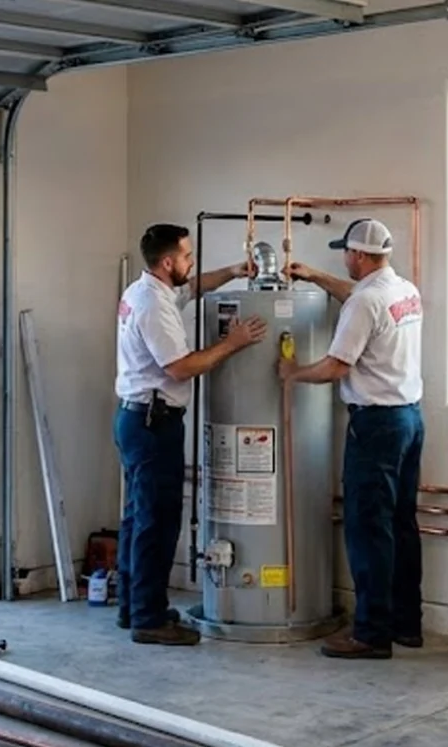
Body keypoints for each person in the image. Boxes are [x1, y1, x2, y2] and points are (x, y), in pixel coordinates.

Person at [278, 217, 424, 660]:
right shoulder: (403, 290)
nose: (343, 258)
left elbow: (336, 366)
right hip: (409, 420)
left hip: (375, 426)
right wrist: (317, 277)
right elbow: (360, 299)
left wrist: (293, 375)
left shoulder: (365, 304)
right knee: (401, 525)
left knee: (367, 530)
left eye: (346, 252)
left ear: (358, 255)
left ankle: (370, 633)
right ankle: (405, 624)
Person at [114, 223, 267, 645]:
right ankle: (150, 619)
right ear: (167, 263)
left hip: (138, 418)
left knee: (138, 519)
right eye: (186, 256)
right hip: (153, 423)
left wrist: (236, 270)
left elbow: (193, 287)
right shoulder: (153, 307)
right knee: (157, 523)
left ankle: (133, 607)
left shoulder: (146, 290)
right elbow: (180, 368)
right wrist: (233, 343)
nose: (191, 262)